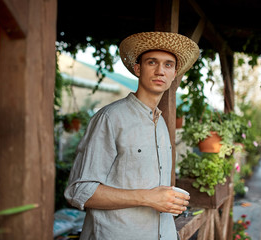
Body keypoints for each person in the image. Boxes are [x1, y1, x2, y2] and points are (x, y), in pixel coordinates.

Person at [64, 32, 200, 240]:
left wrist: (167, 201)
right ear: (138, 69)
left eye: (168, 65)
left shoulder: (161, 124)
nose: (160, 71)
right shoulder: (110, 118)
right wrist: (148, 198)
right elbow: (79, 191)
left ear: (174, 75)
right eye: (152, 62)